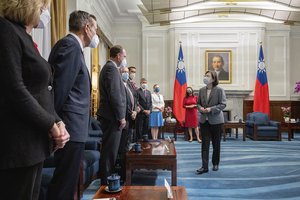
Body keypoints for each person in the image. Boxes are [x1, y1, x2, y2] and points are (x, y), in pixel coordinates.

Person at [0, 1, 69, 199]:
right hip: (18, 145)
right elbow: (15, 89)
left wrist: (57, 120)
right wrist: (50, 124)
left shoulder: (25, 36)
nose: (45, 11)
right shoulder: (6, 30)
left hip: (34, 143)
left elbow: (42, 89)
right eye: (43, 6)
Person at [47, 10, 99, 199]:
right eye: (95, 29)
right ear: (87, 28)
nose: (95, 35)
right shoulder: (70, 46)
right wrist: (55, 123)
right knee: (64, 183)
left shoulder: (73, 48)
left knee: (68, 182)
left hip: (72, 128)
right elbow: (59, 90)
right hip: (68, 127)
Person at [97, 45, 127, 185]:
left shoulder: (111, 68)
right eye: (124, 56)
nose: (124, 59)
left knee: (111, 151)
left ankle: (109, 179)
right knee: (110, 151)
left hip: (110, 116)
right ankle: (106, 182)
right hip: (112, 117)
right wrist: (121, 116)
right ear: (118, 55)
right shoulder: (111, 68)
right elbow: (115, 95)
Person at [196, 70, 226, 174]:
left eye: (208, 76)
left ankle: (215, 163)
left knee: (216, 144)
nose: (205, 77)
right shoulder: (201, 90)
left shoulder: (219, 90)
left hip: (216, 121)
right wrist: (201, 109)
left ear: (213, 79)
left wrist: (210, 109)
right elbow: (198, 104)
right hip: (204, 120)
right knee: (205, 144)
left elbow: (223, 105)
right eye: (205, 75)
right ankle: (204, 166)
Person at [118, 66, 137, 181]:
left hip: (130, 118)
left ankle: (127, 171)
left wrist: (135, 110)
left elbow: (133, 100)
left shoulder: (129, 85)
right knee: (122, 148)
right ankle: (122, 173)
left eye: (127, 72)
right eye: (124, 72)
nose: (126, 74)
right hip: (123, 119)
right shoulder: (119, 84)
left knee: (127, 145)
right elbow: (120, 102)